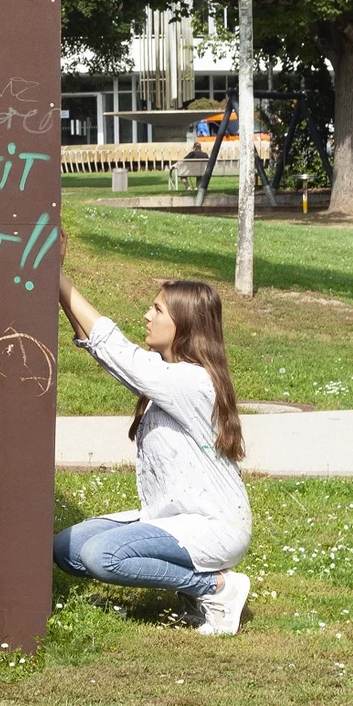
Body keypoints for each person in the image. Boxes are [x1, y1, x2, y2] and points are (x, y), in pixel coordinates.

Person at [54, 272, 253, 634]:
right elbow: (104, 352)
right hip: (171, 518)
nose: (147, 316)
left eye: (157, 309)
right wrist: (58, 281)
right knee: (68, 548)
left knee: (102, 556)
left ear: (185, 325)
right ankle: (193, 588)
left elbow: (120, 354)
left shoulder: (192, 382)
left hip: (213, 527)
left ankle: (218, 589)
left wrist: (58, 279)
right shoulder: (171, 376)